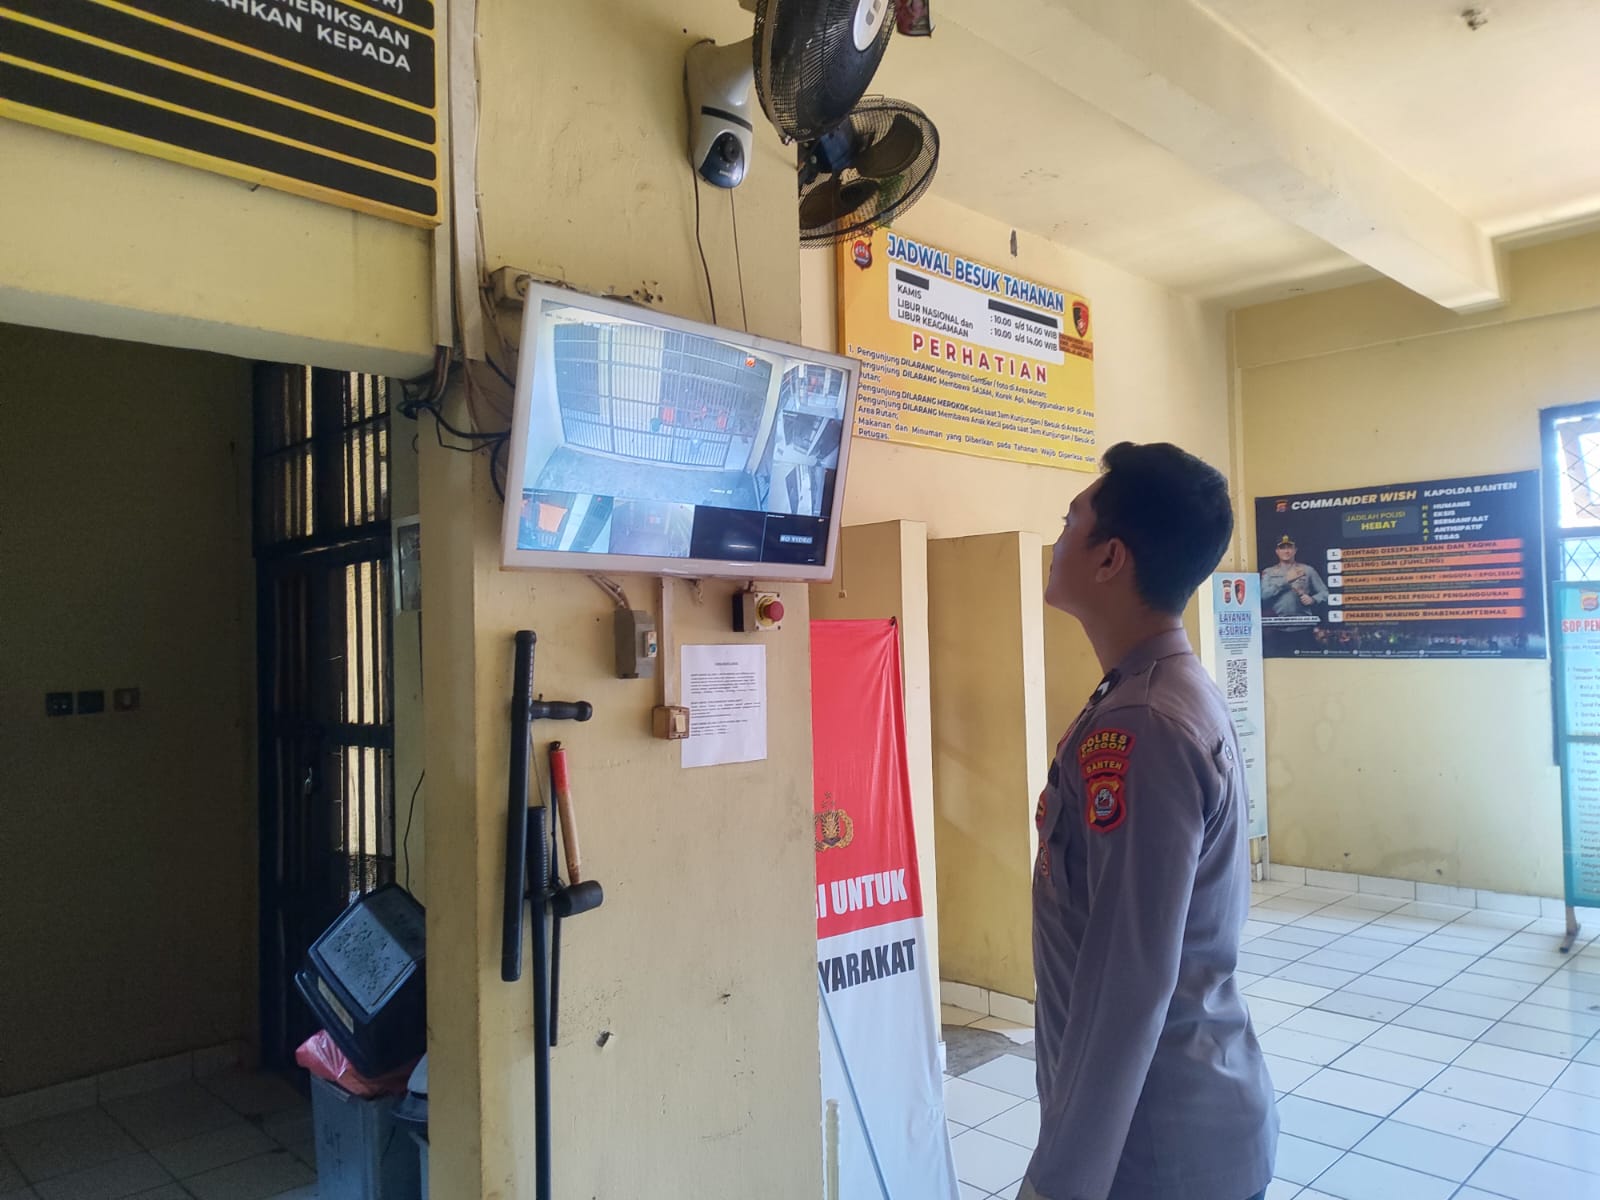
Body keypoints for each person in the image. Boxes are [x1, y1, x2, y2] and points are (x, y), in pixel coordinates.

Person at [1021, 442, 1276, 1200]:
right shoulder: (1149, 692)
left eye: (1070, 522)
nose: (1058, 539)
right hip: (1165, 1130)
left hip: (1160, 1152)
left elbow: (1128, 983)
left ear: (1110, 559)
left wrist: (1061, 1184)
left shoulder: (1143, 723)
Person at [1259, 535, 1329, 619]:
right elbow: (1263, 595)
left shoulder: (1307, 570)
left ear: (1295, 550)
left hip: (1303, 620)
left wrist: (1313, 599)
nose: (1286, 551)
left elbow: (1324, 593)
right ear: (1277, 551)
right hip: (1277, 621)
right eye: (1282, 548)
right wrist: (1286, 581)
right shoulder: (1268, 572)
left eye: (1289, 547)